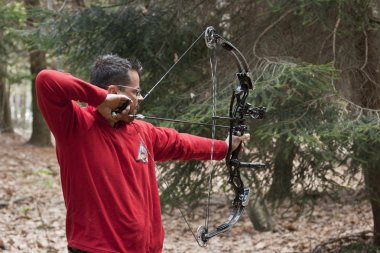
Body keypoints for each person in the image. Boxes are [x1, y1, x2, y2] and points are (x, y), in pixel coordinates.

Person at [36, 54, 249, 253]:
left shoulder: (141, 131)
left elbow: (181, 143)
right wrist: (101, 98)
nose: (140, 98)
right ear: (113, 91)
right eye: (135, 92)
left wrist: (225, 146)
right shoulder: (75, 126)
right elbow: (46, 80)